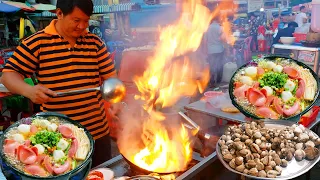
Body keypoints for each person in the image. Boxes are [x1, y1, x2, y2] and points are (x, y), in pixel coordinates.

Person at [1, 0, 117, 167]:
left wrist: (116, 98)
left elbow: (111, 78)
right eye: (77, 20)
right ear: (59, 13)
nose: (82, 26)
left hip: (98, 134)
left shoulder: (94, 42)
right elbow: (8, 76)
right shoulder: (37, 43)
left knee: (103, 173)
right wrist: (29, 90)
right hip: (59, 139)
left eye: (86, 20)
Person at [204, 16, 225, 87]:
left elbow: (205, 41)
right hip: (219, 49)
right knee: (219, 65)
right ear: (217, 20)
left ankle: (212, 82)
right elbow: (223, 39)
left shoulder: (207, 28)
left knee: (212, 66)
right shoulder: (220, 28)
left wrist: (206, 50)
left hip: (210, 50)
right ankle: (218, 80)